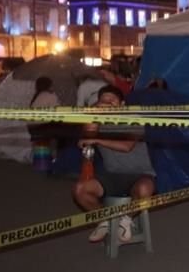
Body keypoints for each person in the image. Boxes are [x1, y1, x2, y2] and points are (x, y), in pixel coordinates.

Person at [72, 86, 156, 243]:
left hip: (140, 173)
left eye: (112, 100)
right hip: (112, 175)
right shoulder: (98, 122)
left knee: (145, 190)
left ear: (122, 104)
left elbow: (126, 146)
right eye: (103, 101)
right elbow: (86, 135)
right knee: (80, 190)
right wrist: (95, 112)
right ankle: (104, 221)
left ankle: (125, 220)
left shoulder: (134, 118)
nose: (108, 103)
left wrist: (96, 140)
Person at [28, 77, 61, 173]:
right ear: (49, 85)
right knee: (58, 135)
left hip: (32, 126)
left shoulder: (37, 96)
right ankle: (54, 161)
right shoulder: (51, 95)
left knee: (41, 142)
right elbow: (57, 111)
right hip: (42, 126)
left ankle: (39, 162)